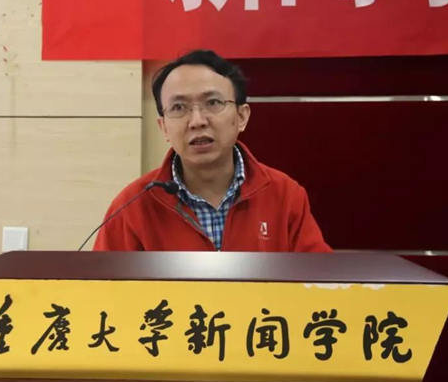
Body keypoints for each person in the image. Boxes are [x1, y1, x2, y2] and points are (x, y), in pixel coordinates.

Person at [93, 49, 331, 252]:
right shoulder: (132, 207)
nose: (197, 121)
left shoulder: (285, 196)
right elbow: (103, 287)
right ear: (164, 127)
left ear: (241, 116)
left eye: (213, 103)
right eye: (179, 107)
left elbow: (319, 282)